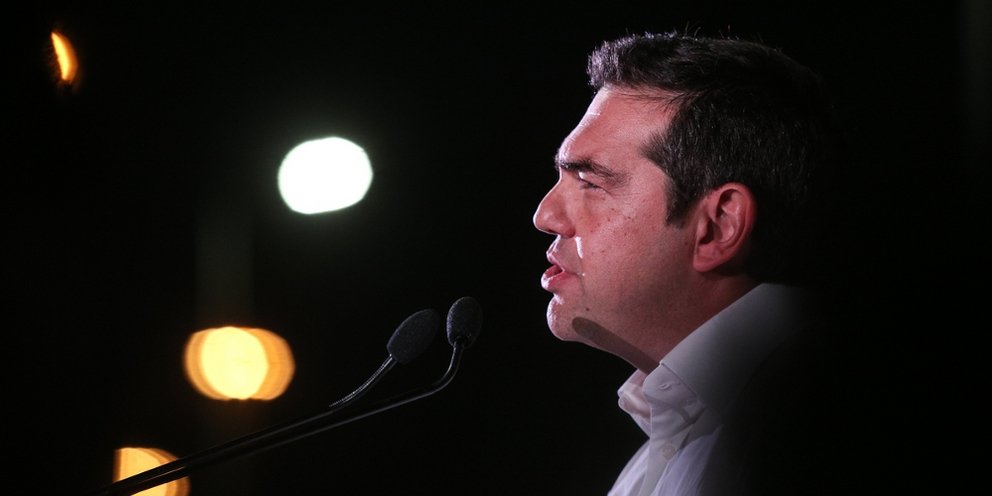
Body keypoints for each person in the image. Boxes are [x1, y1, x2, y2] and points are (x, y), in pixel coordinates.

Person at [532, 30, 854, 495]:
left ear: (718, 226)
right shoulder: (654, 458)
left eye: (592, 183)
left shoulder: (824, 427)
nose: (545, 216)